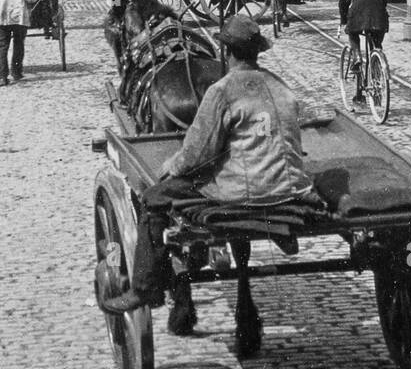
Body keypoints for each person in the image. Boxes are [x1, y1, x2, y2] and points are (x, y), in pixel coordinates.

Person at [100, 17, 331, 315]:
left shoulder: (221, 91)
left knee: (153, 199)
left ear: (226, 53)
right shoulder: (282, 86)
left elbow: (196, 153)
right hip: (292, 189)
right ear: (257, 51)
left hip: (241, 193)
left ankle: (145, 288)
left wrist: (169, 167)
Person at [338, 0, 389, 102]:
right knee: (376, 47)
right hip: (378, 18)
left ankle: (356, 56)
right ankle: (377, 81)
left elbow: (344, 1)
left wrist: (343, 19)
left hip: (358, 16)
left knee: (352, 33)